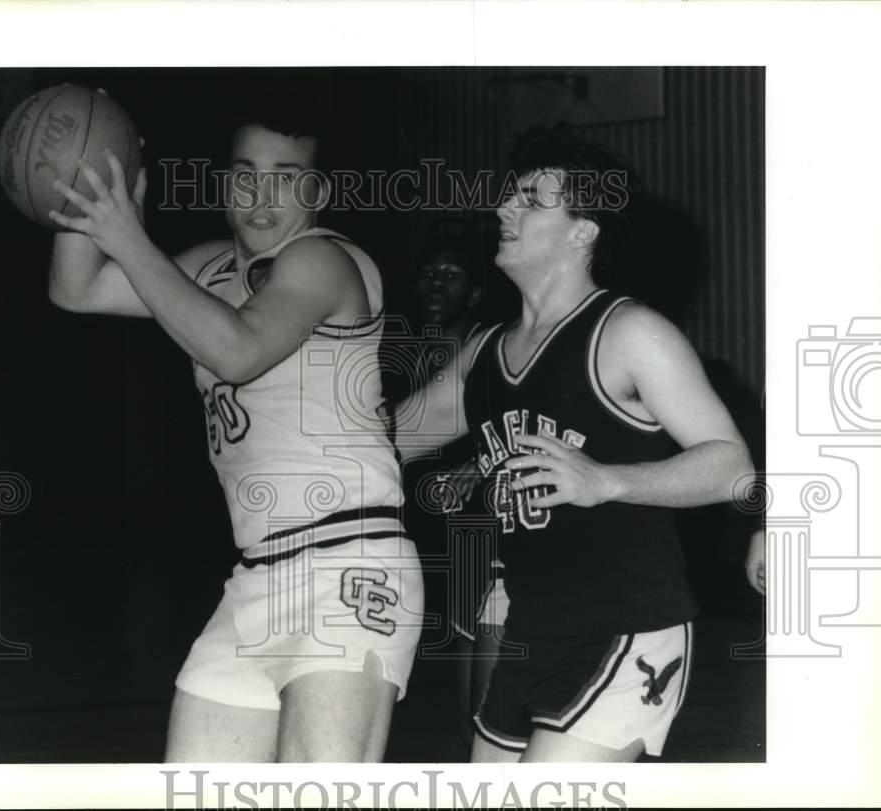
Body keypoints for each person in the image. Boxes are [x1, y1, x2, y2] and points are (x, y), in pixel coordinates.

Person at [46, 97, 422, 762]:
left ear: (319, 191)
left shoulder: (324, 260)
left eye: (286, 175)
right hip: (255, 578)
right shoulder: (208, 268)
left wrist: (130, 236)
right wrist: (97, 168)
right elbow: (76, 289)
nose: (261, 193)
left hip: (349, 563)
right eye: (245, 172)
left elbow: (239, 349)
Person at [394, 128, 754, 763]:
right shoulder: (484, 352)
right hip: (532, 633)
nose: (505, 208)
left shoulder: (629, 332)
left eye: (531, 200)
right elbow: (386, 440)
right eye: (509, 197)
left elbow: (730, 465)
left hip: (629, 631)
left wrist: (607, 480)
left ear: (583, 231)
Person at [391, 229, 510, 747]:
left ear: (475, 294)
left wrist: (481, 465)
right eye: (429, 274)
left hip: (482, 536)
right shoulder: (392, 351)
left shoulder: (492, 350)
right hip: (421, 539)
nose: (437, 284)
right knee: (456, 707)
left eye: (452, 276)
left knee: (484, 708)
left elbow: (525, 426)